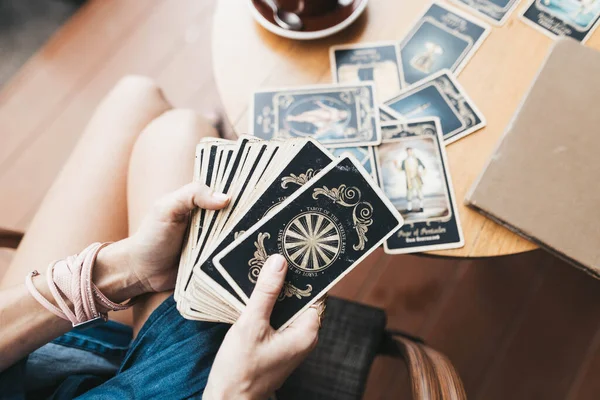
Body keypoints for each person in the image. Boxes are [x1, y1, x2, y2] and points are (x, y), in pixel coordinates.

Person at [0, 76, 320, 399]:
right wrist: (235, 391)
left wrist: (126, 269)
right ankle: (211, 143)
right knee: (181, 135)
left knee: (138, 95)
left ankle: (212, 148)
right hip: (183, 387)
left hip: (32, 366)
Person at [395, 147, 426, 213]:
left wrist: (421, 173)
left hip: (416, 178)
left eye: (410, 151)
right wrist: (396, 165)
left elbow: (424, 167)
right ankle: (409, 209)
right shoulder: (404, 161)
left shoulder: (417, 160)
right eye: (408, 151)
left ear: (412, 151)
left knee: (419, 193)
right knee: (409, 195)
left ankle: (421, 207)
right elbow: (400, 169)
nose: (409, 152)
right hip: (409, 180)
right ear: (407, 152)